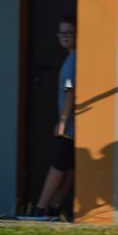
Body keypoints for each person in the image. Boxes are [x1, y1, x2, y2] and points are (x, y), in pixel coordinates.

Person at [32, 15, 77, 220]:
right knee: (69, 166)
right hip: (73, 125)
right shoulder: (72, 58)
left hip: (70, 125)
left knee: (58, 164)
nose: (65, 36)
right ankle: (55, 205)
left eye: (70, 32)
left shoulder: (73, 60)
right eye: (61, 33)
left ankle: (41, 208)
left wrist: (63, 121)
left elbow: (70, 91)